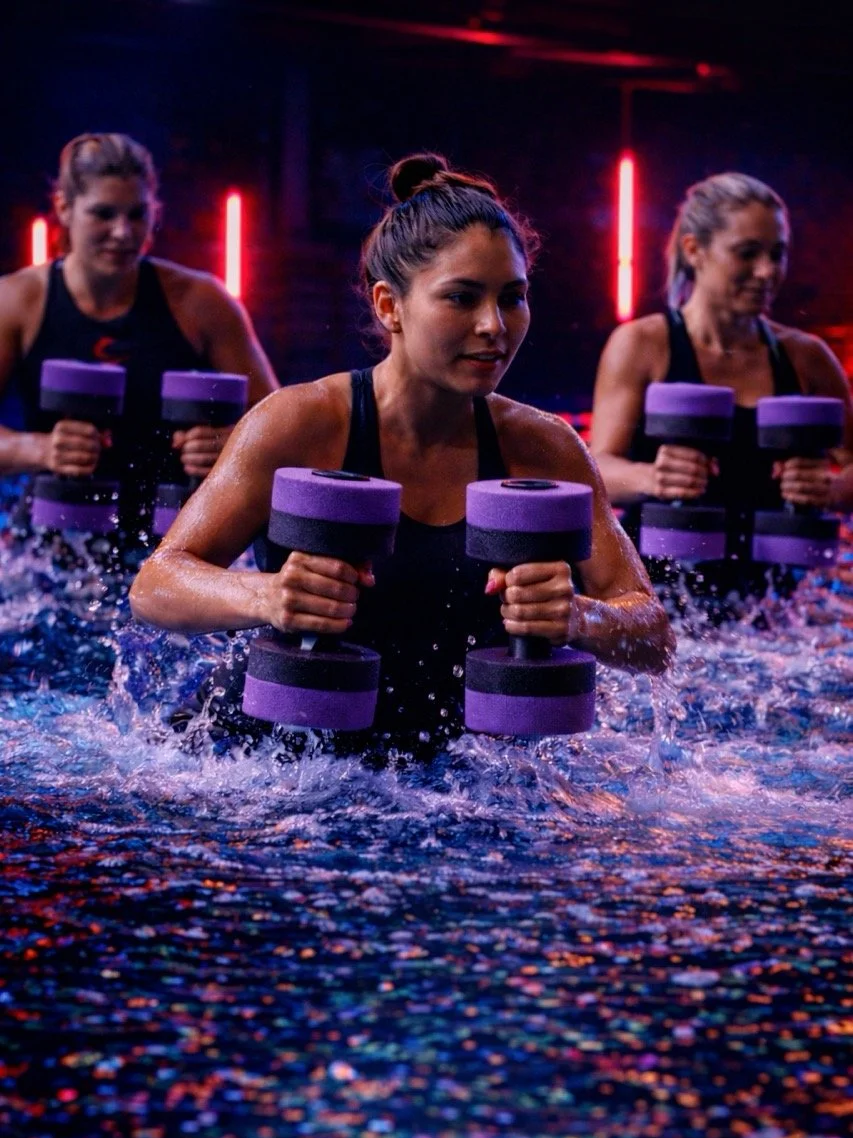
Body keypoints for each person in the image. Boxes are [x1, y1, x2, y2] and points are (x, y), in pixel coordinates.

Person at [130, 153, 673, 746]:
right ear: (390, 305)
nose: (494, 324)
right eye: (462, 298)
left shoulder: (544, 449)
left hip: (443, 786)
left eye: (512, 297)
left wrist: (579, 616)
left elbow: (653, 637)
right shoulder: (302, 422)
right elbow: (156, 585)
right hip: (265, 769)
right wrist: (267, 595)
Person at [0, 132, 278, 538]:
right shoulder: (16, 302)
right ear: (64, 208)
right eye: (103, 214)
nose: (123, 232)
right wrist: (40, 449)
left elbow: (281, 426)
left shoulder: (201, 302)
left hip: (172, 543)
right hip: (57, 545)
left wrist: (232, 443)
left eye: (136, 214)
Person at [589, 172, 853, 590]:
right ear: (695, 250)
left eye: (777, 254)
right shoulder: (643, 345)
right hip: (661, 600)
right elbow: (595, 471)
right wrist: (653, 478)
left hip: (776, 610)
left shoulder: (807, 358)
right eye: (747, 253)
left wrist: (831, 488)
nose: (767, 271)